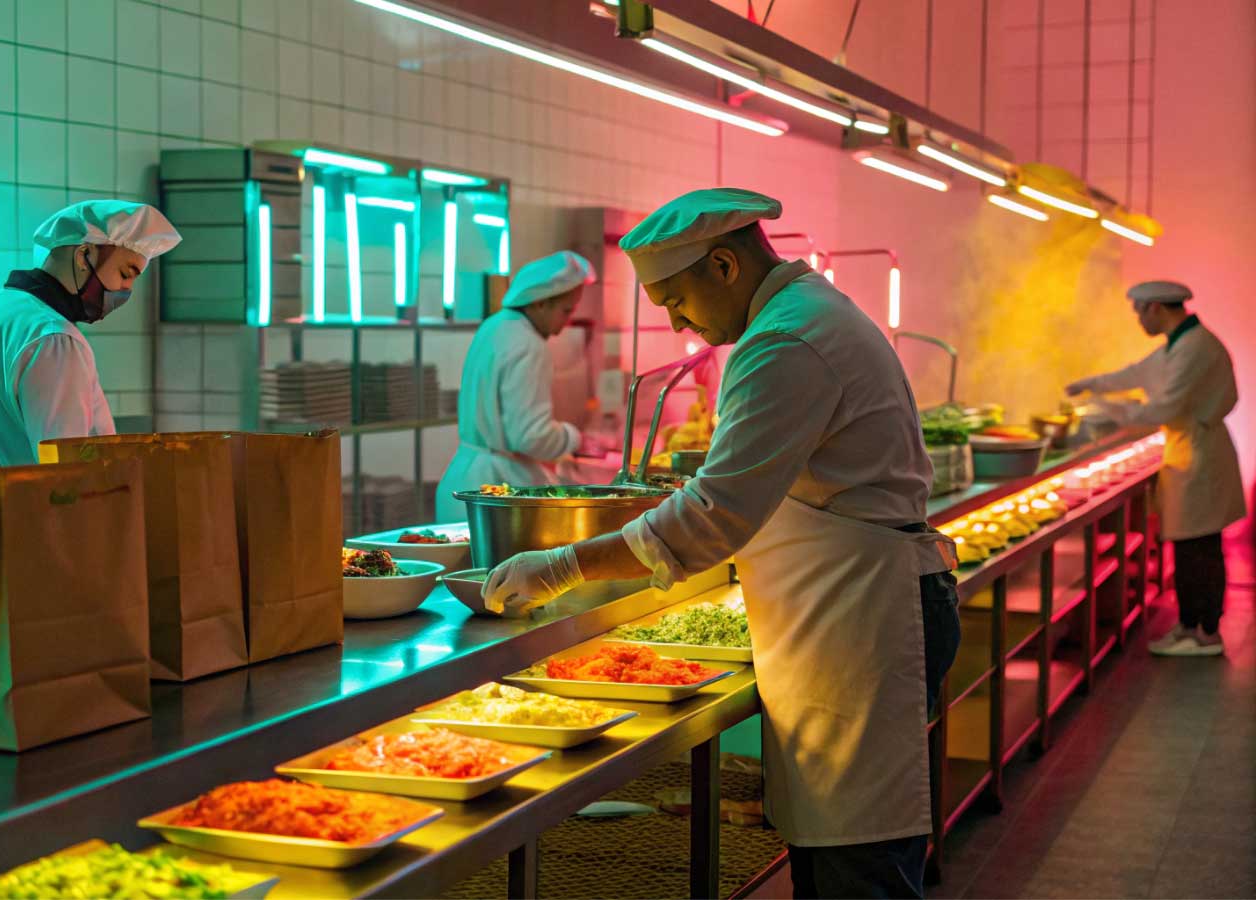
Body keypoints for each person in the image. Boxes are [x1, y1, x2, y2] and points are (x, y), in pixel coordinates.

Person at [483, 189, 960, 899]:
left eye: (676, 299)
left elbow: (712, 514)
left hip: (861, 620)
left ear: (725, 267)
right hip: (851, 611)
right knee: (844, 855)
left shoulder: (785, 339)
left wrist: (562, 567)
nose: (678, 321)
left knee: (858, 868)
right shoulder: (808, 314)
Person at [0, 200, 181, 479]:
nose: (126, 289)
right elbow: (66, 472)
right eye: (126, 273)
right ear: (83, 255)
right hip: (33, 519)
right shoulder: (53, 340)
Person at [1066, 281, 1243, 657]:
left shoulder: (1194, 348)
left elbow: (1163, 409)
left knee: (1199, 548)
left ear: (1156, 309)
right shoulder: (1182, 342)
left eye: (1139, 311)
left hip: (1200, 456)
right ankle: (1191, 625)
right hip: (1191, 452)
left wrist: (1108, 410)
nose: (1138, 320)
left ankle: (1204, 632)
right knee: (1192, 546)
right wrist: (1089, 385)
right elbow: (1135, 373)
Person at [434, 251, 601, 523]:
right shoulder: (529, 344)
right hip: (495, 490)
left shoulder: (495, 325)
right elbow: (530, 436)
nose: (565, 325)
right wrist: (574, 439)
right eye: (565, 311)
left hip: (464, 478)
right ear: (540, 304)